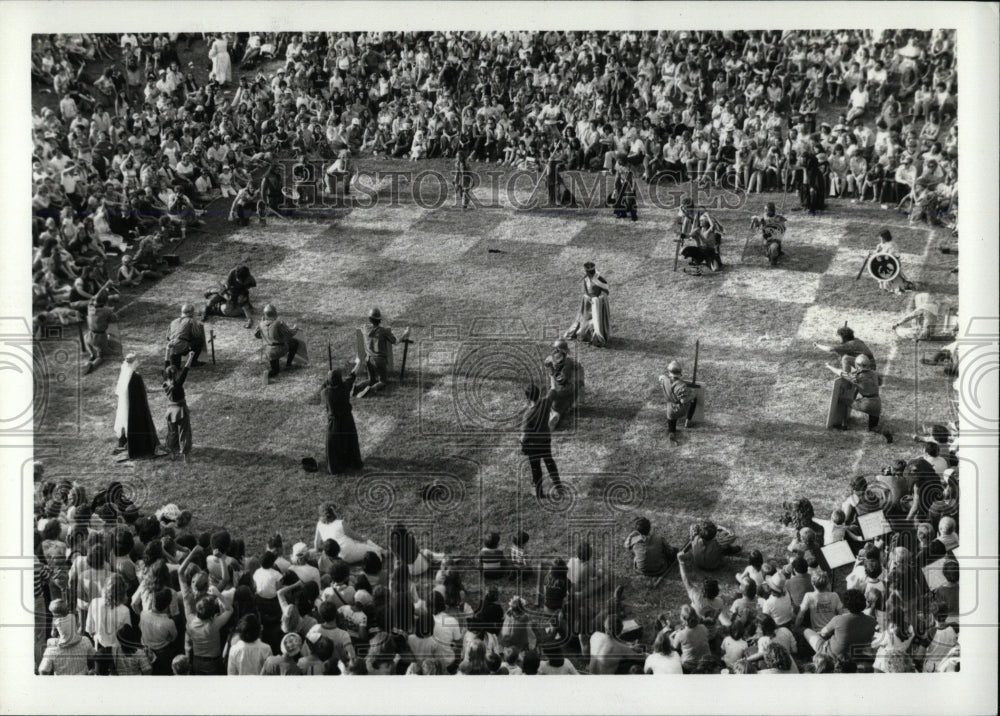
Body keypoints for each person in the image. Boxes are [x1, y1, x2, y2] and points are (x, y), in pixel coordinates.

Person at [804, 588, 876, 667]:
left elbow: (823, 633)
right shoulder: (872, 621)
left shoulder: (839, 619)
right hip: (855, 655)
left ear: (846, 604)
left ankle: (813, 656)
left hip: (832, 654)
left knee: (807, 631)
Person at [519, 383, 562, 500]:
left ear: (528, 398)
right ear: (538, 394)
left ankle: (539, 493)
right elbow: (554, 389)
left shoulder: (528, 415)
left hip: (533, 445)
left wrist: (521, 444)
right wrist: (552, 374)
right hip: (545, 440)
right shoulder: (545, 402)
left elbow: (524, 435)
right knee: (550, 463)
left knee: (536, 468)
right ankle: (559, 487)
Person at [836, 353, 893, 442]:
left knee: (843, 400)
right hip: (877, 403)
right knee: (873, 427)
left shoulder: (857, 377)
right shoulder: (874, 373)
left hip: (867, 404)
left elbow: (842, 373)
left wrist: (828, 366)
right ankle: (884, 431)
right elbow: (879, 382)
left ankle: (843, 425)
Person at [112, 352, 159, 459]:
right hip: (137, 406)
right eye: (136, 361)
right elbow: (142, 392)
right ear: (133, 362)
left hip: (128, 406)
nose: (138, 362)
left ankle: (125, 441)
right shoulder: (136, 377)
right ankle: (142, 446)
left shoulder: (125, 375)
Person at [355, 307, 409, 397]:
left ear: (370, 319)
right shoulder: (383, 331)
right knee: (383, 381)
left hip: (368, 359)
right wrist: (405, 334)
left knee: (371, 380)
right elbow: (396, 342)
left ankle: (357, 387)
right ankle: (371, 390)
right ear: (379, 320)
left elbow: (363, 327)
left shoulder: (364, 328)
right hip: (379, 360)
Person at [319, 367, 363, 474]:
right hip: (347, 420)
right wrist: (355, 367)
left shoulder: (325, 393)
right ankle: (352, 462)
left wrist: (327, 379)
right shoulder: (344, 389)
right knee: (349, 441)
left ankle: (336, 467)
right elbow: (351, 378)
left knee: (334, 445)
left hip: (333, 423)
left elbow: (323, 386)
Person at [313, 503, 383, 564]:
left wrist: (316, 552)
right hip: (349, 552)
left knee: (362, 541)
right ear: (333, 512)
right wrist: (364, 539)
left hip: (334, 555)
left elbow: (316, 542)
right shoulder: (340, 523)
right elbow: (354, 536)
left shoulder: (319, 524)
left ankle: (382, 550)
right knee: (376, 551)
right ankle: (380, 554)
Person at [564, 262, 611, 347]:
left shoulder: (600, 280)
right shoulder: (586, 278)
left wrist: (597, 299)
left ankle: (596, 338)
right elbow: (586, 290)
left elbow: (605, 292)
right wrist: (587, 297)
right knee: (585, 320)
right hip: (588, 303)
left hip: (597, 304)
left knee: (595, 321)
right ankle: (586, 336)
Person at [255, 304, 303, 380]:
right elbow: (289, 333)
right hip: (279, 349)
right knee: (294, 342)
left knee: (275, 370)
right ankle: (288, 364)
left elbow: (257, 336)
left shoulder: (261, 324)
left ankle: (267, 374)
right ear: (275, 313)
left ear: (265, 314)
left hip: (268, 351)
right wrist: (295, 328)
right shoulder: (278, 323)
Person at [544, 339, 582, 431]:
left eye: (556, 350)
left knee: (554, 405)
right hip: (567, 389)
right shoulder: (562, 361)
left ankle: (549, 414)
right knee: (558, 406)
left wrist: (551, 368)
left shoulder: (567, 365)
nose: (553, 352)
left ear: (562, 352)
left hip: (566, 390)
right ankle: (553, 414)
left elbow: (561, 380)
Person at [162, 352, 194, 461]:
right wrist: (191, 356)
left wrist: (167, 350)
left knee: (172, 432)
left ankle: (173, 453)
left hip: (170, 411)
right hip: (181, 411)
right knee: (184, 432)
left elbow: (166, 364)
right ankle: (185, 455)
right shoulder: (178, 384)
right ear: (176, 374)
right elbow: (186, 370)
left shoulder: (165, 382)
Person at [658, 360, 696, 445]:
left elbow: (661, 377)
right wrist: (692, 395)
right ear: (679, 373)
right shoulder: (681, 386)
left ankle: (672, 432)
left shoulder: (664, 380)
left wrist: (664, 377)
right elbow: (683, 400)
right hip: (680, 410)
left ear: (669, 372)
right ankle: (688, 421)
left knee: (671, 413)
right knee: (694, 399)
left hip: (670, 410)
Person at [83, 289, 118, 375]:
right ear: (106, 301)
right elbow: (114, 319)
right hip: (100, 337)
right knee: (102, 357)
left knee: (85, 338)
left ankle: (91, 354)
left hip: (90, 335)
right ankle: (93, 364)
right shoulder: (107, 311)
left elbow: (93, 301)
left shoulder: (89, 307)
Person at [165, 303, 207, 370]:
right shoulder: (191, 321)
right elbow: (197, 334)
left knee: (175, 368)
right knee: (199, 341)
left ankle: (176, 363)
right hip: (183, 346)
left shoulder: (173, 322)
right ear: (191, 313)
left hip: (172, 348)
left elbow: (167, 337)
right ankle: (193, 362)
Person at [749, 201, 787, 265]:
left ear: (772, 210)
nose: (766, 212)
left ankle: (776, 254)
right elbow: (756, 226)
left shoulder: (778, 218)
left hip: (775, 238)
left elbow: (783, 228)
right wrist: (755, 220)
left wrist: (779, 225)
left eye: (768, 210)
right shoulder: (763, 218)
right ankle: (770, 252)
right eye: (765, 210)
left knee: (774, 247)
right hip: (766, 238)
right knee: (768, 249)